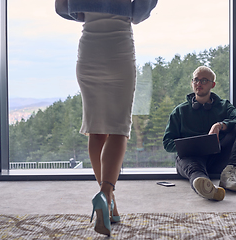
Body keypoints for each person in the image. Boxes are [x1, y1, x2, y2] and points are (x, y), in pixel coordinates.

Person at [55, 0, 157, 236]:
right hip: (118, 50)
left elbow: (61, 7)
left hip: (89, 50)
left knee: (97, 128)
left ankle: (108, 200)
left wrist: (87, 12)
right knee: (119, 128)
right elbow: (141, 10)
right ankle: (106, 194)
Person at [163, 66, 236, 201]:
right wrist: (189, 145)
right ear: (192, 83)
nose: (198, 84)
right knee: (193, 168)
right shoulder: (179, 111)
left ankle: (229, 173)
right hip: (191, 159)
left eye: (204, 80)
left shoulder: (224, 106)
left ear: (213, 85)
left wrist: (220, 125)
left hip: (218, 158)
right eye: (196, 80)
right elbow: (167, 143)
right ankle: (205, 186)